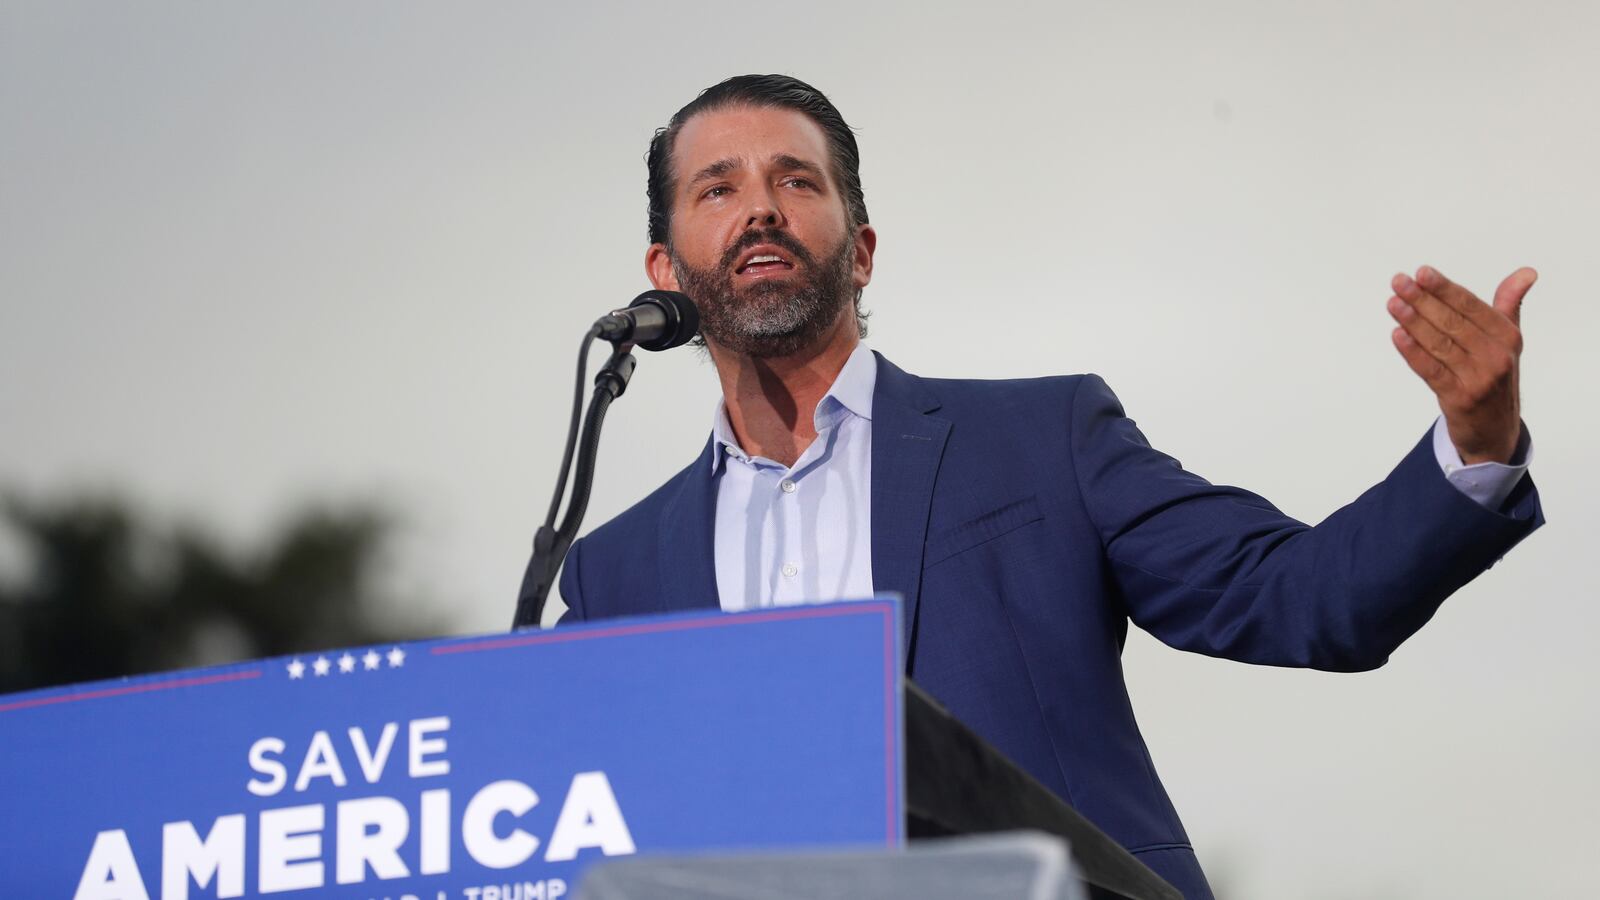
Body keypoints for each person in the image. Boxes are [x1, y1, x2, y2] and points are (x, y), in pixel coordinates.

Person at [526, 74, 1543, 898]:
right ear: (663, 269)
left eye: (795, 181)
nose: (758, 207)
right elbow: (556, 816)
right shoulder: (617, 571)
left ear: (863, 249)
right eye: (718, 188)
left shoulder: (1040, 441)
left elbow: (1302, 599)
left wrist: (1474, 444)